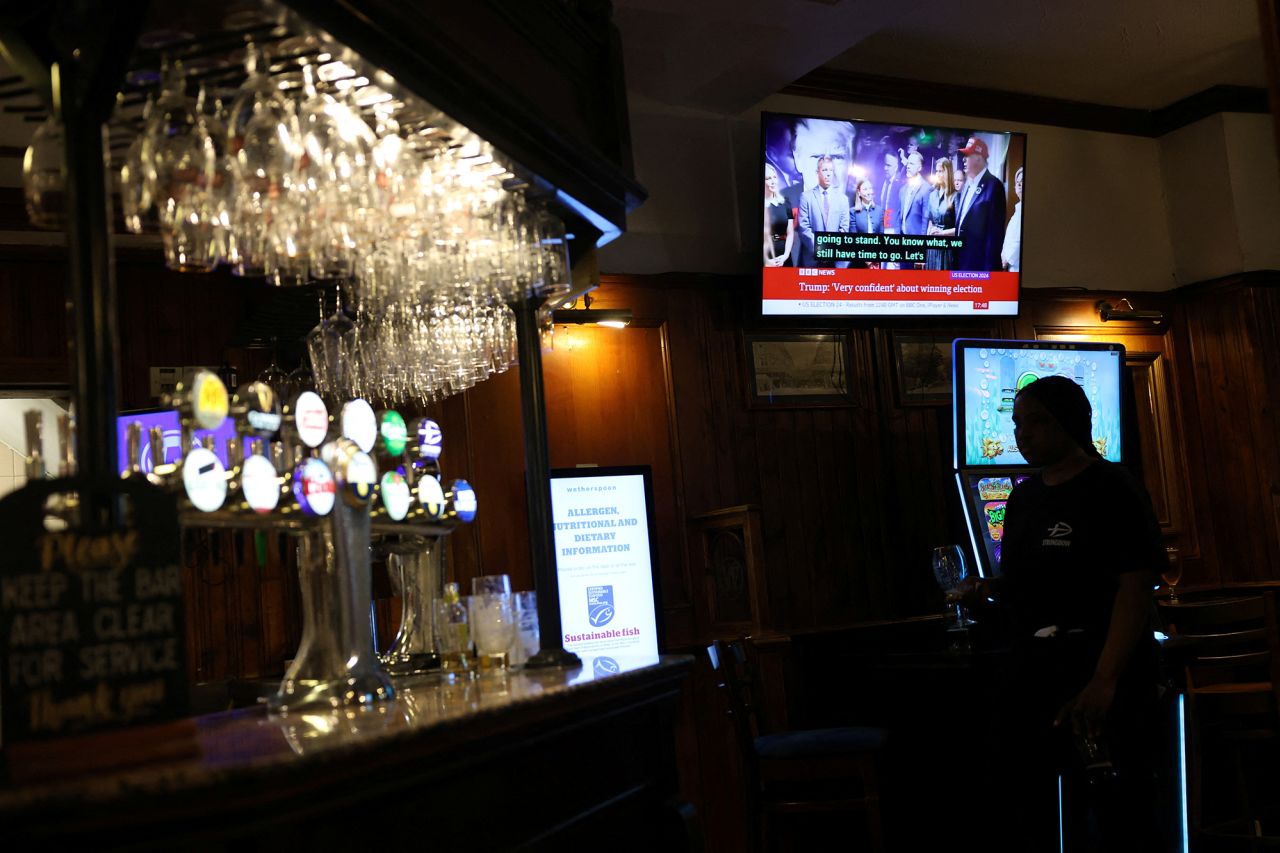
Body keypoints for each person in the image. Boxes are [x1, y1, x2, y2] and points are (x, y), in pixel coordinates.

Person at [955, 376, 1165, 852]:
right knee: (1033, 808)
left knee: (1120, 813)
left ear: (1070, 423)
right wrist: (980, 590)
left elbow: (1135, 585)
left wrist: (1106, 678)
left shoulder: (1113, 486)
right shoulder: (1025, 496)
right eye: (1016, 423)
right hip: (1036, 671)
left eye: (1036, 422)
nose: (1022, 434)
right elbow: (1022, 582)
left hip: (1100, 664)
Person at [954, 136, 1006, 271]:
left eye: (967, 155)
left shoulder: (994, 186)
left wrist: (988, 275)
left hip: (979, 267)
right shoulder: (968, 185)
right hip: (961, 263)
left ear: (979, 157)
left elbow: (994, 235)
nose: (963, 159)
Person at [797, 156, 849, 267]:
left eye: (831, 170)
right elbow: (804, 228)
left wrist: (830, 252)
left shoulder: (843, 199)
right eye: (825, 170)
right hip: (812, 260)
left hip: (836, 261)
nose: (828, 174)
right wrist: (821, 251)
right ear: (817, 172)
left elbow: (844, 228)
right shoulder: (806, 197)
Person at [925, 158, 957, 270]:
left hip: (947, 249)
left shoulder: (956, 196)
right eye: (936, 171)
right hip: (932, 247)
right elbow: (930, 221)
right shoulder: (932, 195)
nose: (937, 174)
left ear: (947, 172)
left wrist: (942, 233)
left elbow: (961, 228)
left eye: (941, 171)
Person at [763, 163, 795, 267]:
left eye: (774, 177)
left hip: (784, 256)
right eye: (768, 178)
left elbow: (790, 233)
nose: (772, 182)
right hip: (766, 256)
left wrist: (785, 255)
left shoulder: (785, 202)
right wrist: (766, 261)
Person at [897, 150, 931, 235]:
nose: (908, 166)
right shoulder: (902, 190)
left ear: (919, 168)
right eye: (908, 163)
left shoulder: (926, 189)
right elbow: (898, 217)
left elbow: (925, 219)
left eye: (911, 164)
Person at [1002, 166, 1024, 272]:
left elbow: (1019, 241)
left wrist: (1006, 259)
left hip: (1018, 266)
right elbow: (1008, 240)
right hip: (1011, 266)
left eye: (1022, 181)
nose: (1019, 184)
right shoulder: (1017, 209)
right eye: (1017, 182)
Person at [878, 149, 900, 233]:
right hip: (879, 228)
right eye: (884, 164)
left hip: (893, 230)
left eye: (889, 165)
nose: (885, 168)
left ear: (896, 167)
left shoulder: (901, 185)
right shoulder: (879, 181)